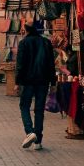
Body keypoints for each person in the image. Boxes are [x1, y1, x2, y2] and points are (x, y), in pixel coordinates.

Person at [15, 20, 56, 149]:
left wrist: (17, 82)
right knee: (39, 109)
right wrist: (53, 82)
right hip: (43, 81)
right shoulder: (46, 42)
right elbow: (51, 64)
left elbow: (20, 64)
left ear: (26, 30)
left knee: (24, 106)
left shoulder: (24, 43)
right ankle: (38, 140)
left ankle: (30, 132)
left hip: (28, 81)